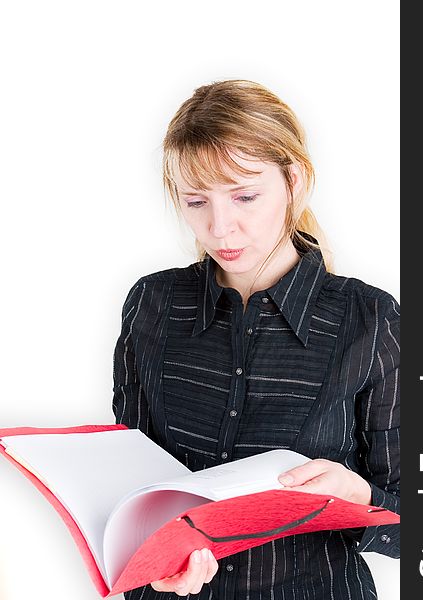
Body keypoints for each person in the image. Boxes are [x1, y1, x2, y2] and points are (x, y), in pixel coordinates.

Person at [112, 79, 400, 600]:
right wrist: (150, 560)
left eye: (245, 195)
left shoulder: (371, 319)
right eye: (195, 200)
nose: (221, 228)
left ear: (294, 180)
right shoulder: (151, 304)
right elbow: (127, 495)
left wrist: (360, 497)